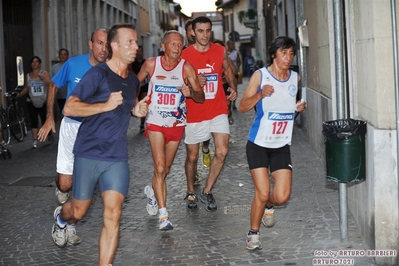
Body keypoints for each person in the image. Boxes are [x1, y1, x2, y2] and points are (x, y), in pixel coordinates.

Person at [51, 23, 147, 265]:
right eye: (130, 42)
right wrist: (104, 105)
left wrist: (137, 109)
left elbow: (128, 107)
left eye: (136, 42)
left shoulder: (133, 81)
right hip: (89, 153)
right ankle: (62, 219)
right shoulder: (97, 74)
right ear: (114, 46)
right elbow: (69, 107)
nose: (136, 46)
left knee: (113, 215)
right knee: (78, 211)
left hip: (116, 157)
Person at [37, 28, 109, 245]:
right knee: (67, 185)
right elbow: (53, 85)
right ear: (91, 44)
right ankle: (60, 185)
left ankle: (68, 224)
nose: (103, 49)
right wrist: (50, 118)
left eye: (107, 44)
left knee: (83, 185)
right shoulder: (74, 64)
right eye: (99, 43)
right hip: (71, 127)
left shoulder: (112, 70)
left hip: (95, 132)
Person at [238, 36, 306, 250]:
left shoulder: (296, 78)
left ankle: (268, 204)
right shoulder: (261, 76)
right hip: (258, 143)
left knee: (282, 196)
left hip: (281, 145)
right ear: (274, 54)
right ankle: (253, 232)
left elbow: (286, 107)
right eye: (284, 53)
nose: (288, 57)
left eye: (291, 53)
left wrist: (297, 108)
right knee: (262, 189)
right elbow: (242, 106)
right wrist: (259, 94)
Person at [138, 30, 204, 230]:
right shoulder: (151, 64)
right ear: (163, 46)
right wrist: (135, 104)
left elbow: (201, 98)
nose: (177, 48)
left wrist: (191, 93)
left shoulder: (187, 68)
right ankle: (163, 215)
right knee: (159, 167)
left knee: (165, 169)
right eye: (173, 44)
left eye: (180, 45)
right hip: (155, 122)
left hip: (176, 124)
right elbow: (131, 83)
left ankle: (151, 191)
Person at [181, 16, 237, 211]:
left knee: (222, 151)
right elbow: (179, 83)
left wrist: (232, 87)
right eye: (200, 31)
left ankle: (207, 191)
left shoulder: (220, 51)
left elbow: (228, 69)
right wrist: (193, 82)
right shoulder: (185, 55)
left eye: (208, 31)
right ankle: (190, 191)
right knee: (192, 157)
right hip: (195, 112)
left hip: (217, 109)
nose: (204, 35)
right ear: (193, 33)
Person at [184, 19, 209, 184]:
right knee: (191, 152)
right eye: (191, 32)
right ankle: (195, 174)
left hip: (209, 103)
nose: (193, 34)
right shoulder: (183, 54)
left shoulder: (208, 50)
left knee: (205, 137)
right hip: (189, 108)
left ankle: (206, 148)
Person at [17, 56, 52, 148]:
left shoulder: (44, 73)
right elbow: (27, 87)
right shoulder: (28, 76)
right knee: (33, 120)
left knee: (45, 119)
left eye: (36, 62)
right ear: (31, 64)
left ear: (39, 63)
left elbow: (50, 84)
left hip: (43, 100)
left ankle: (49, 135)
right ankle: (35, 141)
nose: (35, 63)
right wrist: (20, 94)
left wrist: (43, 79)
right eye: (33, 62)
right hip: (31, 101)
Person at [130, 45, 148, 132]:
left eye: (141, 51)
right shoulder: (132, 63)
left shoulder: (146, 62)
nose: (139, 53)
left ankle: (142, 123)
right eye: (138, 51)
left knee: (143, 104)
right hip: (135, 87)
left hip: (144, 87)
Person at [49, 48, 69, 117]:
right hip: (59, 96)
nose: (63, 56)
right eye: (61, 54)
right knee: (62, 114)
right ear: (59, 56)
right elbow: (51, 81)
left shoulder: (71, 66)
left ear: (67, 56)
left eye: (64, 54)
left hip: (70, 95)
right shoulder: (54, 67)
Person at [227, 40, 241, 111]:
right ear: (228, 45)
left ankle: (234, 103)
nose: (233, 46)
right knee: (228, 88)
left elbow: (239, 62)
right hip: (227, 74)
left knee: (234, 88)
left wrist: (237, 67)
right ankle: (228, 101)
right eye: (231, 44)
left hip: (234, 74)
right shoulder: (225, 53)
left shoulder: (236, 53)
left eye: (233, 44)